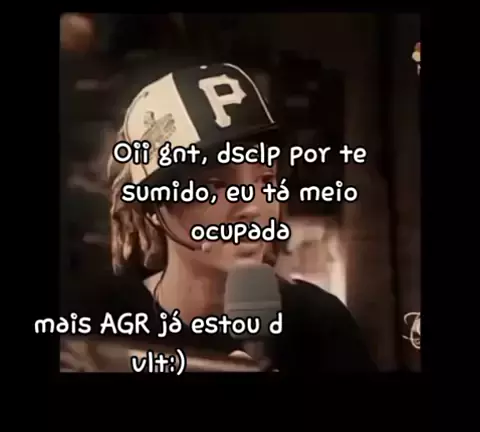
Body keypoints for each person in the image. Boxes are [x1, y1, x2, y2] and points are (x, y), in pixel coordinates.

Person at [61, 61, 377, 372]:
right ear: (155, 209)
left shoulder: (321, 326)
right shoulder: (96, 327)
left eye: (265, 180)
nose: (252, 207)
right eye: (216, 185)